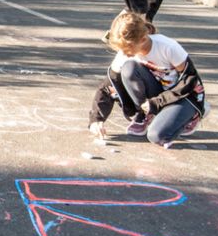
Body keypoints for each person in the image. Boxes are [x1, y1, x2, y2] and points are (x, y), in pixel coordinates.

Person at [89, 12, 207, 148]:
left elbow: (190, 80)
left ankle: (191, 115)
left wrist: (157, 102)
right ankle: (144, 114)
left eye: (129, 50)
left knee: (157, 136)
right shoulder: (125, 53)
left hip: (183, 96)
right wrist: (96, 119)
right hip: (157, 93)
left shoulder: (168, 47)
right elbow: (107, 86)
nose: (126, 54)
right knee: (129, 68)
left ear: (144, 39)